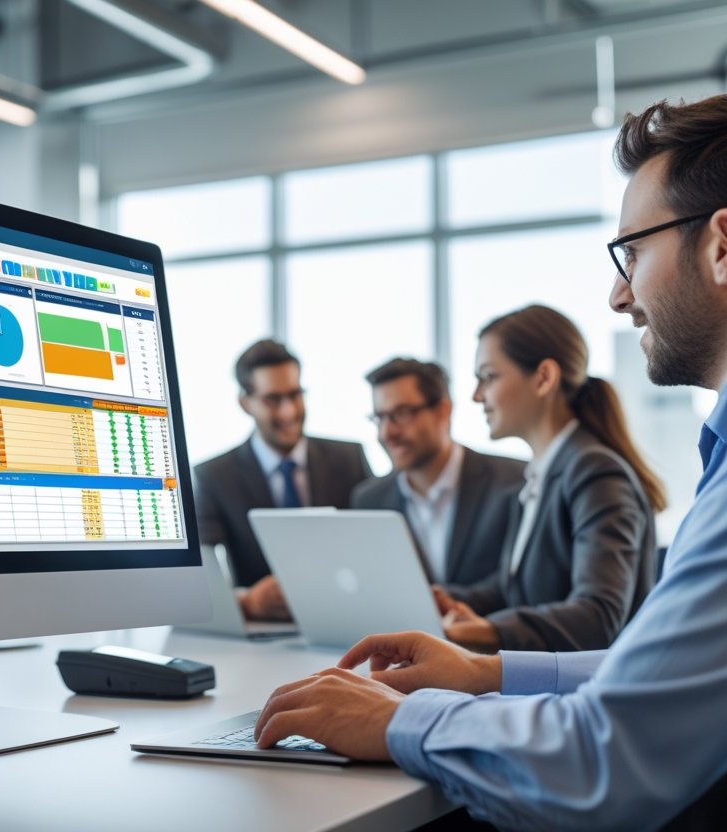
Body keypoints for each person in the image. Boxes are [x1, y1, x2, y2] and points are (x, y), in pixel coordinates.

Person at [253, 94, 727, 829]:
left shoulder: (600, 471)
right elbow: (663, 680)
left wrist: (400, 721)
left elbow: (604, 753)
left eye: (632, 251)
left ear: (722, 247)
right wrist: (485, 671)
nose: (617, 293)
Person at [435, 304, 662, 653]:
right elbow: (514, 586)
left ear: (543, 378)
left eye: (489, 376)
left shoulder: (594, 472)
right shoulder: (541, 475)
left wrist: (491, 630)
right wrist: (440, 598)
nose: (477, 395)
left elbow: (598, 615)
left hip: (587, 694)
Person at [193, 339, 371, 620]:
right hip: (265, 634)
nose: (288, 411)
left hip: (347, 619)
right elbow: (203, 581)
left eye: (295, 395)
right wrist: (247, 601)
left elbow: (374, 552)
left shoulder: (349, 459)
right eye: (273, 399)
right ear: (245, 403)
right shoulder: (214, 476)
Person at [352, 357, 525, 586]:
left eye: (402, 414)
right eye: (380, 418)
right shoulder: (369, 500)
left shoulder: (513, 481)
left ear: (443, 412)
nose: (386, 433)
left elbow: (518, 583)